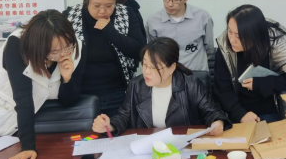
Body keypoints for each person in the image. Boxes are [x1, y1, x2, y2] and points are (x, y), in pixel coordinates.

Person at [0, 10, 85, 159]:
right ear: (39, 47)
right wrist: (28, 148)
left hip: (27, 124)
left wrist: (67, 79)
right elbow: (23, 98)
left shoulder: (78, 49)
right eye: (54, 51)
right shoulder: (17, 45)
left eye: (67, 47)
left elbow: (68, 101)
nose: (63, 55)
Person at [92, 38, 230, 136]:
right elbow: (124, 115)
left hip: (183, 147)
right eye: (145, 64)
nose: (146, 71)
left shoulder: (191, 85)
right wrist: (109, 126)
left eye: (154, 67)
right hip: (148, 147)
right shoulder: (136, 85)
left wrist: (218, 122)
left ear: (172, 68)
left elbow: (212, 111)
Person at [64, 0, 145, 117]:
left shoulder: (126, 14)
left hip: (117, 93)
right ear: (87, 0)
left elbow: (139, 50)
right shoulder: (71, 16)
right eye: (96, 6)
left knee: (116, 129)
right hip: (81, 94)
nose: (102, 11)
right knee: (85, 132)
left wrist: (110, 31)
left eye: (109, 6)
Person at [214, 5, 286, 124]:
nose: (232, 39)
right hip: (237, 111)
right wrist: (240, 114)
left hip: (272, 109)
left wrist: (261, 83)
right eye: (230, 31)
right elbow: (222, 89)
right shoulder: (225, 47)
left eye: (238, 36)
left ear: (255, 36)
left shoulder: (277, 42)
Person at [146, 0, 214, 71]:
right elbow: (152, 52)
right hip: (167, 75)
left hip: (196, 74)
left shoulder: (203, 17)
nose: (170, 4)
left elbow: (209, 49)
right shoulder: (153, 21)